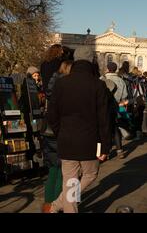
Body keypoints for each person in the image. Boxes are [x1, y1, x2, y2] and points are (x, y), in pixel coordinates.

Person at [47, 46, 111, 213]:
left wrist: (60, 132)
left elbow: (52, 115)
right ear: (91, 61)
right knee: (90, 175)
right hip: (90, 140)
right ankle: (57, 205)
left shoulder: (61, 83)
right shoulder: (98, 85)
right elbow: (104, 119)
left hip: (66, 139)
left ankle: (56, 205)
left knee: (70, 182)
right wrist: (105, 146)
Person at [41, 60, 73, 213]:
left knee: (53, 169)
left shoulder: (52, 84)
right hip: (64, 132)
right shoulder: (68, 87)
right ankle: (59, 205)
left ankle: (48, 205)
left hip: (49, 132)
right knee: (67, 172)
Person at [102, 62, 128, 158]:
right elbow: (124, 96)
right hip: (115, 107)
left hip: (103, 108)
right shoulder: (121, 81)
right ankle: (119, 150)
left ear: (108, 69)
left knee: (105, 129)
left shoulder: (102, 79)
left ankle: (106, 152)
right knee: (115, 128)